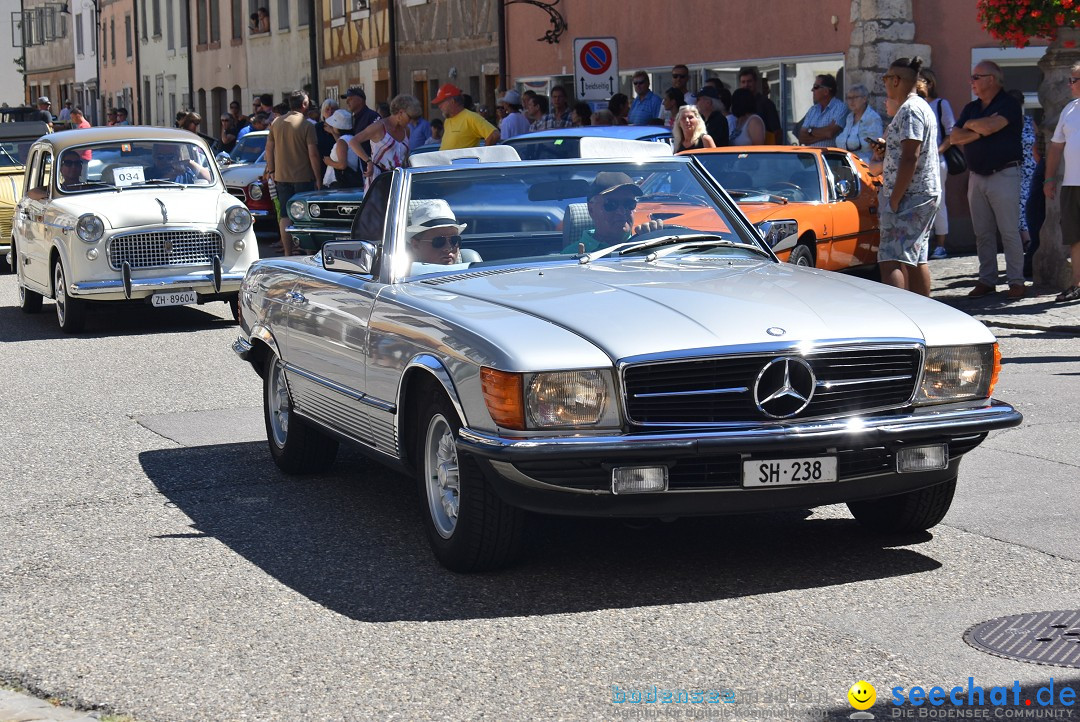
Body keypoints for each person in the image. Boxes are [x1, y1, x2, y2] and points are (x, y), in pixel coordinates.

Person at [951, 60, 1026, 299]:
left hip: (1004, 174)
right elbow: (954, 137)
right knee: (982, 232)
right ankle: (987, 279)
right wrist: (977, 127)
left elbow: (994, 126)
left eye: (976, 77)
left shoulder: (1009, 104)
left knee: (1008, 231)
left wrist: (971, 128)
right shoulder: (972, 108)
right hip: (977, 176)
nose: (972, 82)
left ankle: (1016, 282)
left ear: (991, 79)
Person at [869, 57, 939, 297]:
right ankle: (923, 314)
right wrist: (887, 149)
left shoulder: (910, 109)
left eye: (886, 78)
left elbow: (911, 156)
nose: (885, 83)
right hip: (921, 192)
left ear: (896, 80)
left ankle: (899, 316)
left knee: (890, 259)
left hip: (910, 194)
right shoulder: (919, 107)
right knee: (916, 258)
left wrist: (895, 199)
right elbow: (907, 151)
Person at [263, 90, 322, 256]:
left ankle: (288, 252)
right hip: (304, 176)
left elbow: (269, 149)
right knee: (306, 215)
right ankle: (309, 251)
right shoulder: (307, 125)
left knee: (284, 214)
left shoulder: (276, 123)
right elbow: (313, 154)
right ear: (304, 105)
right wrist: (318, 178)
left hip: (281, 176)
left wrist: (272, 170)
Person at [1044, 61, 1080, 302]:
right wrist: (1049, 178)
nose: (1070, 84)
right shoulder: (1069, 109)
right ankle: (1077, 284)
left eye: (1074, 80)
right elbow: (1056, 148)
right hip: (1071, 184)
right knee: (1074, 237)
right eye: (1070, 79)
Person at [560, 172, 663, 254]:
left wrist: (656, 244)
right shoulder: (570, 255)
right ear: (591, 209)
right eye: (611, 204)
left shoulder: (647, 242)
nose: (621, 211)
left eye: (629, 204)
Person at [348, 93, 420, 189]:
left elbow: (404, 157)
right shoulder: (379, 127)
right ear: (401, 113)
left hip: (399, 182)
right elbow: (353, 141)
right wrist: (368, 161)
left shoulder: (406, 130)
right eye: (410, 117)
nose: (411, 122)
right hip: (379, 181)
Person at [921, 69, 956, 260]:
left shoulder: (941, 104)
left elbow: (951, 134)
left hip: (936, 160)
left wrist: (936, 152)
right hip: (919, 161)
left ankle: (941, 245)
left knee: (939, 201)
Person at [1008, 89, 1038, 256]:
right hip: (1015, 170)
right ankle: (1027, 241)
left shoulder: (1029, 121)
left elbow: (1039, 141)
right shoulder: (1005, 124)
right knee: (1019, 207)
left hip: (1032, 170)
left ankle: (1030, 241)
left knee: (1031, 205)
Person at [433, 83, 499, 149]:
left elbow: (494, 135)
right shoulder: (447, 120)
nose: (439, 106)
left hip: (463, 159)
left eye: (441, 102)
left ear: (452, 101)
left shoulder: (470, 117)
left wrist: (483, 155)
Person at [407, 199, 467, 266]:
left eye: (454, 240)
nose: (448, 248)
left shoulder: (470, 273)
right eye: (439, 241)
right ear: (415, 245)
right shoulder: (399, 274)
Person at [834, 84, 884, 163]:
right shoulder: (850, 117)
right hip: (848, 163)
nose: (851, 101)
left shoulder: (873, 118)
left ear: (864, 99)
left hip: (865, 165)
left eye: (855, 97)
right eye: (849, 98)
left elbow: (877, 146)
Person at [797, 74, 847, 147]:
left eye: (816, 87)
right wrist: (824, 134)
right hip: (811, 157)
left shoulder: (840, 107)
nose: (812, 90)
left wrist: (810, 131)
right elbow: (801, 138)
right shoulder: (812, 110)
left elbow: (830, 133)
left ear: (826, 91)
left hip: (829, 157)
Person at [739, 67, 783, 144]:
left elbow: (777, 132)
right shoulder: (739, 104)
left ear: (755, 82)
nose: (746, 85)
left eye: (749, 81)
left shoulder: (766, 103)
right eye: (743, 82)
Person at [322, 109, 359, 188]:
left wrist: (329, 162)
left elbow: (342, 165)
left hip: (338, 182)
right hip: (347, 181)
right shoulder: (351, 139)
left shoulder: (342, 141)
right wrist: (333, 132)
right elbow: (341, 145)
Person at [147, 143, 212, 183]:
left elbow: (211, 179)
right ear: (154, 157)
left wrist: (190, 163)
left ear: (178, 157)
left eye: (170, 157)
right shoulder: (148, 173)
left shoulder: (185, 173)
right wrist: (170, 175)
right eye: (160, 157)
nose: (165, 161)